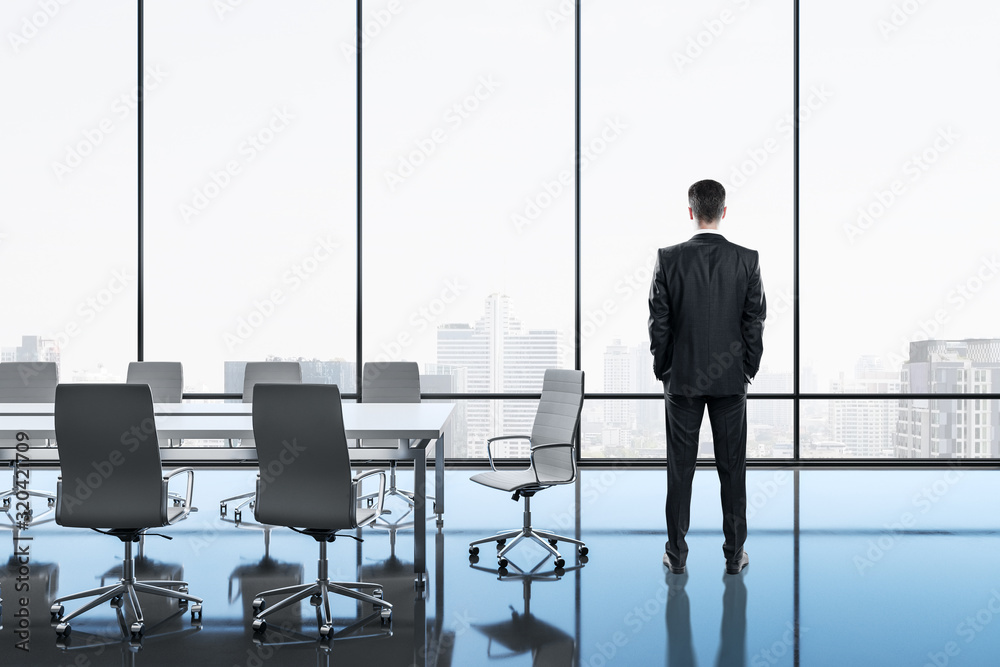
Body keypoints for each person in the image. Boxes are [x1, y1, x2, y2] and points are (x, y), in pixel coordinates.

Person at [648, 179, 766, 575]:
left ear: (690, 211)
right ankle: (735, 556)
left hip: (681, 381)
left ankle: (676, 556)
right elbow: (754, 321)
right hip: (730, 381)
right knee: (732, 468)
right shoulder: (746, 259)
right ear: (724, 212)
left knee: (680, 469)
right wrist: (747, 367)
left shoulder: (668, 258)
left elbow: (658, 323)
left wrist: (664, 368)